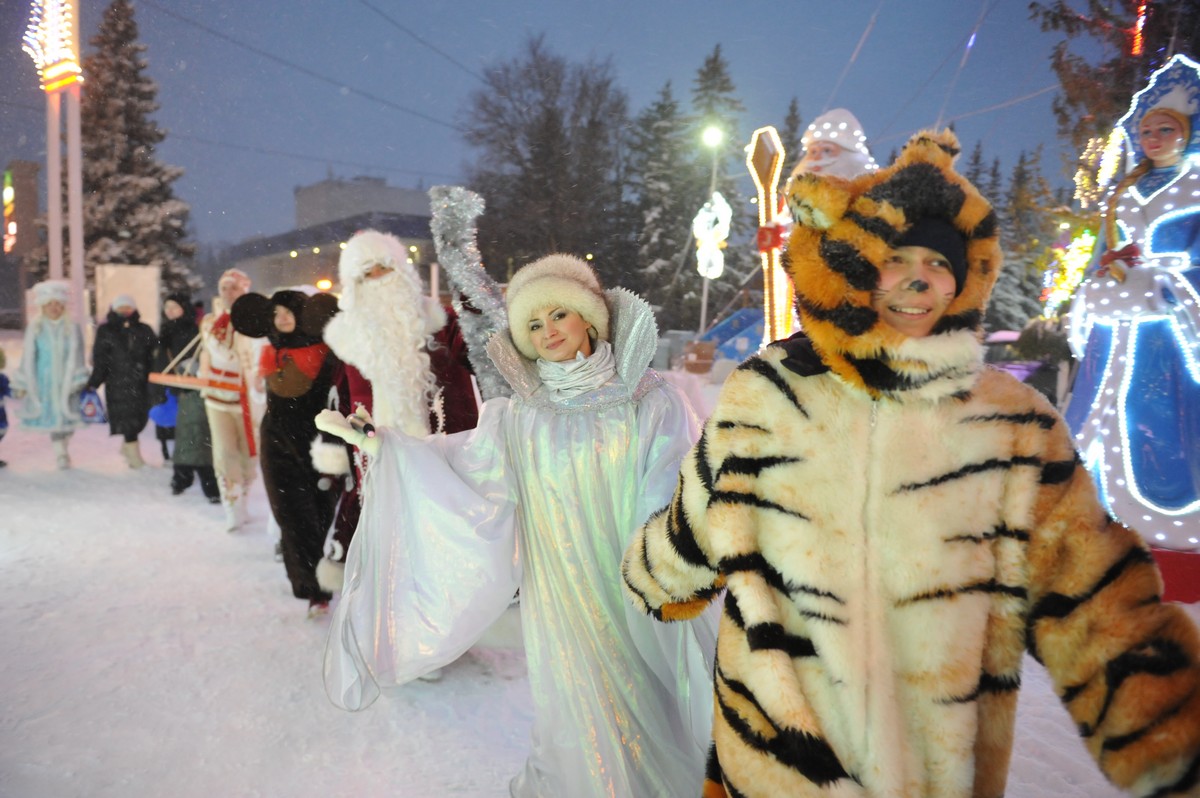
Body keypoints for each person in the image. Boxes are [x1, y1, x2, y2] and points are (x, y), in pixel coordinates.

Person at [622, 130, 1200, 798]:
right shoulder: (771, 390)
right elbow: (705, 511)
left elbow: (1092, 596)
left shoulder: (1012, 425)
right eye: (899, 259)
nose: (920, 280)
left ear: (965, 280)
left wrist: (1164, 732)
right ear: (861, 265)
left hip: (929, 763)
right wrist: (654, 574)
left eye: (941, 264)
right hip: (776, 750)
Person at [318, 254, 716, 797]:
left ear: (590, 318)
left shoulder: (650, 399)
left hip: (634, 585)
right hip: (559, 596)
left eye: (559, 315)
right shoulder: (522, 415)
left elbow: (676, 480)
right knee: (578, 708)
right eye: (533, 323)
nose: (548, 331)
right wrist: (382, 446)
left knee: (651, 697)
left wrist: (656, 561)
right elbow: (466, 467)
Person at [1065, 54, 1200, 551]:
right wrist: (1097, 283)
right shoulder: (1121, 192)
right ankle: (1090, 504)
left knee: (1159, 412)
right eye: (1147, 129)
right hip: (1112, 324)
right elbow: (1104, 251)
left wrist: (1167, 286)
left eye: (1166, 128)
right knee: (1095, 410)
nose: (1154, 138)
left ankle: (1171, 514)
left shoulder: (1197, 189)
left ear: (1188, 131)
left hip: (1165, 329)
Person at [316, 229, 479, 597]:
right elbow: (339, 398)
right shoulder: (345, 338)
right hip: (378, 457)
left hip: (442, 453)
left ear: (402, 271)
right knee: (389, 544)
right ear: (354, 284)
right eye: (366, 274)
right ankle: (397, 618)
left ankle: (446, 616)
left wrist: (477, 305)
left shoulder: (442, 322)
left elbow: (480, 360)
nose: (378, 281)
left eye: (384, 270)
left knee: (442, 539)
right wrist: (335, 451)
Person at [231, 288, 346, 618]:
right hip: (278, 445)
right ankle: (312, 590)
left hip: (320, 446)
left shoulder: (329, 352)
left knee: (322, 516)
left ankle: (333, 575)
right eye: (276, 312)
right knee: (292, 519)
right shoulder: (271, 352)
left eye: (288, 311)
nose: (281, 318)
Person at [198, 269, 262, 531]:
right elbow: (205, 354)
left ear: (244, 291)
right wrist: (202, 377)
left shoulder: (254, 322)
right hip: (216, 396)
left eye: (233, 288)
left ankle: (243, 499)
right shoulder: (210, 322)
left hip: (246, 399)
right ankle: (232, 505)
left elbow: (253, 359)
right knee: (224, 453)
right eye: (224, 288)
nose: (228, 294)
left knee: (248, 452)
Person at [12, 281, 90, 469]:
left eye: (57, 304)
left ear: (63, 306)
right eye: (50, 304)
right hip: (45, 381)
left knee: (68, 419)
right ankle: (60, 453)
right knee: (53, 419)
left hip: (67, 379)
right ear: (43, 306)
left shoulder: (72, 328)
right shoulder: (36, 328)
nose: (54, 308)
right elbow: (28, 357)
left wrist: (79, 378)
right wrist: (23, 384)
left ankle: (63, 445)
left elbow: (78, 355)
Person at [156, 292, 219, 502]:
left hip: (195, 387)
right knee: (188, 433)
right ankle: (187, 478)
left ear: (184, 308)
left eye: (175, 306)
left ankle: (201, 482)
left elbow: (203, 355)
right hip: (179, 388)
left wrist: (190, 368)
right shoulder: (167, 330)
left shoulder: (193, 329)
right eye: (167, 307)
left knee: (197, 433)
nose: (170, 311)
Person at [87, 294, 157, 469]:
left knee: (140, 419)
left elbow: (155, 354)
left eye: (128, 307)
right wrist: (94, 381)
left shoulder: (144, 329)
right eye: (121, 307)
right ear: (114, 309)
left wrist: (155, 376)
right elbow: (100, 359)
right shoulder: (105, 330)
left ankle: (127, 448)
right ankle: (135, 458)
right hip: (117, 383)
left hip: (140, 383)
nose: (124, 311)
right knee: (128, 421)